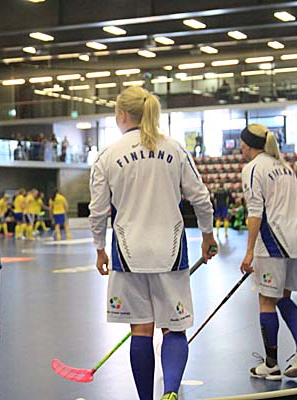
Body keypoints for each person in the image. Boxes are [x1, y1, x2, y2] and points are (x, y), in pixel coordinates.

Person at [89, 86, 217, 400]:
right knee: (174, 327)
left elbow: (97, 210)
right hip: (170, 251)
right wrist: (207, 235)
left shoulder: (108, 155)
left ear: (121, 115)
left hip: (127, 253)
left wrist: (100, 248)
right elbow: (201, 198)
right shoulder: (175, 149)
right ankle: (170, 391)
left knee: (141, 330)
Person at [239, 124, 297, 380]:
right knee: (283, 298)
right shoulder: (285, 167)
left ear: (247, 144)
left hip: (272, 242)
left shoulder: (253, 168)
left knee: (266, 301)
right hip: (295, 242)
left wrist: (249, 252)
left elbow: (255, 212)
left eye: (242, 143)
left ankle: (271, 364)